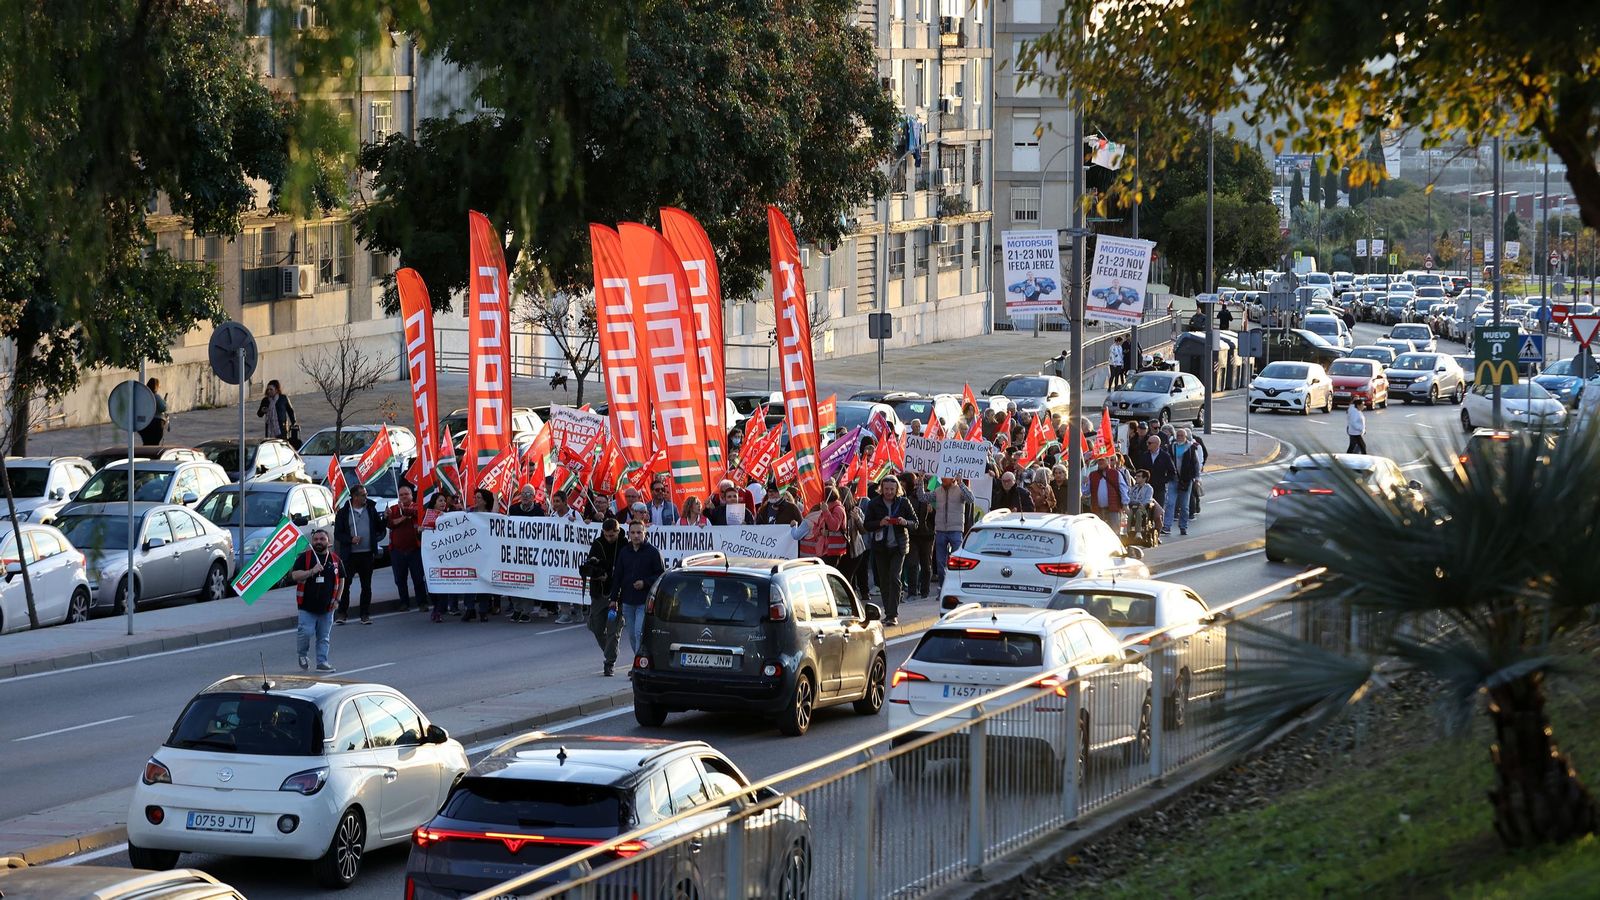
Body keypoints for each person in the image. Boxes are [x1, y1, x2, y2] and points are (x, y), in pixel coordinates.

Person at [863, 475, 917, 625]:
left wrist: (905, 522)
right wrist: (880, 523)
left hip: (899, 546)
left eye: (892, 489)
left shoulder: (904, 502)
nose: (889, 492)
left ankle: (893, 614)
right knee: (884, 580)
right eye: (886, 489)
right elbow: (867, 524)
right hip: (880, 548)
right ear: (882, 488)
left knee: (894, 577)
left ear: (897, 489)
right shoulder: (874, 503)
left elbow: (915, 523)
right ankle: (888, 613)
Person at [290, 529, 344, 672]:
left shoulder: (335, 560)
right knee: (305, 632)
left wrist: (337, 599)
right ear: (312, 542)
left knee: (323, 637)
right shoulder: (305, 558)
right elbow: (295, 575)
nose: (318, 542)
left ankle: (322, 662)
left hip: (327, 607)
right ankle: (302, 655)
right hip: (306, 606)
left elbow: (342, 579)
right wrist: (312, 571)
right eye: (316, 539)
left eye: (322, 539)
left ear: (328, 542)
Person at [334, 483, 386, 625]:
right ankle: (342, 613)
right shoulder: (344, 512)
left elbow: (379, 528)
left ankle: (365, 614)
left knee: (366, 585)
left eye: (366, 494)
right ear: (355, 497)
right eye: (363, 495)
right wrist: (350, 539)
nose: (366, 497)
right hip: (350, 555)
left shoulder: (370, 509)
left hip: (366, 554)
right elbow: (338, 534)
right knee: (346, 585)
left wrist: (385, 518)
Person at [611, 520, 665, 655]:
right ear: (628, 534)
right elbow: (617, 576)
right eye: (633, 532)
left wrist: (645, 583)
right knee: (632, 636)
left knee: (638, 632)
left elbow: (661, 575)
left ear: (644, 533)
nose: (636, 536)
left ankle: (638, 665)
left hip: (644, 601)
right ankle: (639, 661)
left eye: (639, 532)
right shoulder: (624, 552)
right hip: (628, 601)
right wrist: (613, 599)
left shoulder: (653, 552)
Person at [583, 517, 624, 675]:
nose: (609, 538)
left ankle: (609, 661)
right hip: (599, 592)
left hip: (618, 594)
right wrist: (594, 571)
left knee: (614, 629)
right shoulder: (598, 543)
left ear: (618, 532)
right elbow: (591, 565)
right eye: (606, 535)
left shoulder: (624, 545)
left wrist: (610, 577)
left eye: (612, 535)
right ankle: (610, 650)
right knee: (596, 626)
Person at [387, 486, 429, 614]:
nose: (404, 497)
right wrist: (404, 517)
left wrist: (405, 511)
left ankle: (422, 603)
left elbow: (416, 513)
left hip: (415, 549)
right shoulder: (393, 509)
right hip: (397, 550)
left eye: (406, 494)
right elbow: (390, 523)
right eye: (401, 495)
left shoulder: (418, 507)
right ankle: (404, 603)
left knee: (418, 578)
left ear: (412, 495)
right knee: (400, 579)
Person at [925, 476, 973, 586]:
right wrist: (920, 480)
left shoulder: (960, 490)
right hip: (941, 530)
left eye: (945, 477)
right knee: (940, 563)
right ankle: (942, 587)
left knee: (957, 561)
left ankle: (956, 585)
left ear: (952, 478)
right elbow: (923, 497)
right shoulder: (938, 491)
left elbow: (970, 499)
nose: (942, 479)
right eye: (941, 477)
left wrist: (961, 484)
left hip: (955, 530)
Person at [794, 487, 850, 572]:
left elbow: (834, 526)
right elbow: (817, 527)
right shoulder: (825, 509)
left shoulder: (838, 509)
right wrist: (820, 531)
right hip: (824, 550)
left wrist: (826, 511)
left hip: (834, 550)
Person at [462, 489, 497, 622]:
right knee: (469, 581)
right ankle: (469, 608)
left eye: (479, 498)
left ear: (485, 501)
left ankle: (483, 610)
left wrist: (496, 497)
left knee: (483, 581)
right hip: (470, 552)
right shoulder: (469, 512)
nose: (476, 500)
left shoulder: (490, 515)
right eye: (475, 497)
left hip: (486, 553)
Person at [903, 473, 936, 600]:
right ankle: (912, 592)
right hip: (913, 536)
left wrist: (932, 512)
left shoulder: (932, 498)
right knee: (912, 564)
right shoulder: (909, 498)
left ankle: (925, 592)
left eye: (920, 484)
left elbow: (937, 519)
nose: (917, 487)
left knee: (926, 566)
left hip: (927, 536)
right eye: (916, 484)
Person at [1169, 428, 1202, 536]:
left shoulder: (1191, 448)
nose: (1179, 437)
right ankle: (1166, 526)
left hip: (1186, 480)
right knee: (1170, 503)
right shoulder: (1172, 447)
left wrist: (1197, 478)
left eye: (1181, 435)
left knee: (1184, 505)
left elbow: (1196, 464)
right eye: (1177, 435)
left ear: (1186, 437)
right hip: (1174, 479)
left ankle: (1183, 526)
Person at [1143, 435, 1178, 535]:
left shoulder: (1165, 456)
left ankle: (1157, 531)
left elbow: (1172, 471)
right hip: (1146, 487)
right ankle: (1147, 530)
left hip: (1159, 488)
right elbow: (1140, 469)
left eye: (1150, 443)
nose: (1148, 445)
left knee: (1158, 511)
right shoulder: (1145, 455)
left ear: (1157, 444)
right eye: (1147, 443)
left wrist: (1164, 480)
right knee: (1146, 510)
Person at [1086, 455, 1128, 529]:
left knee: (1115, 531)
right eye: (1099, 460)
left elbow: (1123, 489)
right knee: (1098, 532)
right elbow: (1086, 492)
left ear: (1108, 460)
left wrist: (1125, 503)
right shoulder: (1092, 475)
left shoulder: (1116, 473)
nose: (1100, 461)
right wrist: (1084, 483)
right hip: (1097, 509)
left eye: (1103, 459)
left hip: (1113, 509)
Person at [139, 377, 168, 446]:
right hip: (155, 424)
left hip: (144, 424)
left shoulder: (143, 396)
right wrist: (164, 402)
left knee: (146, 443)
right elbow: (163, 408)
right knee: (154, 444)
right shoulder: (155, 396)